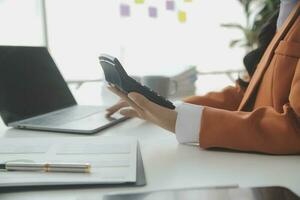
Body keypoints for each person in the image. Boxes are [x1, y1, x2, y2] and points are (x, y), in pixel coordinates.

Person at [106, 0, 300, 155]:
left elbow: (296, 127)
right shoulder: (288, 9)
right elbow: (247, 93)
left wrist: (182, 122)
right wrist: (166, 108)